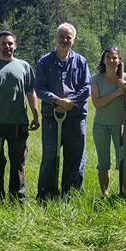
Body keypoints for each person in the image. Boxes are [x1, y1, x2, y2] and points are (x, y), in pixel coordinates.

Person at [0, 31, 40, 202]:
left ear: (16, 45)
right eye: (4, 43)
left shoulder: (25, 66)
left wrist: (35, 115)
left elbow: (31, 92)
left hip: (18, 123)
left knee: (18, 162)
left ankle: (17, 197)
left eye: (10, 43)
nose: (7, 47)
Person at [35, 23, 91, 201]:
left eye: (68, 37)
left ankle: (71, 194)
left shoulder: (81, 61)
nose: (65, 40)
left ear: (73, 39)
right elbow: (40, 88)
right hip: (52, 116)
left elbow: (86, 87)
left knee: (75, 157)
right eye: (62, 36)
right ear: (56, 38)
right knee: (50, 155)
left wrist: (70, 102)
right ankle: (47, 194)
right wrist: (57, 101)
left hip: (75, 116)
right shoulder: (44, 61)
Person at [90, 47, 126, 196]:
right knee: (103, 163)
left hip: (121, 125)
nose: (111, 61)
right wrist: (117, 92)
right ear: (103, 60)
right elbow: (97, 103)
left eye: (115, 58)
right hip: (100, 126)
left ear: (119, 60)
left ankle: (124, 193)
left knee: (123, 161)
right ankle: (105, 194)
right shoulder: (96, 79)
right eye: (108, 57)